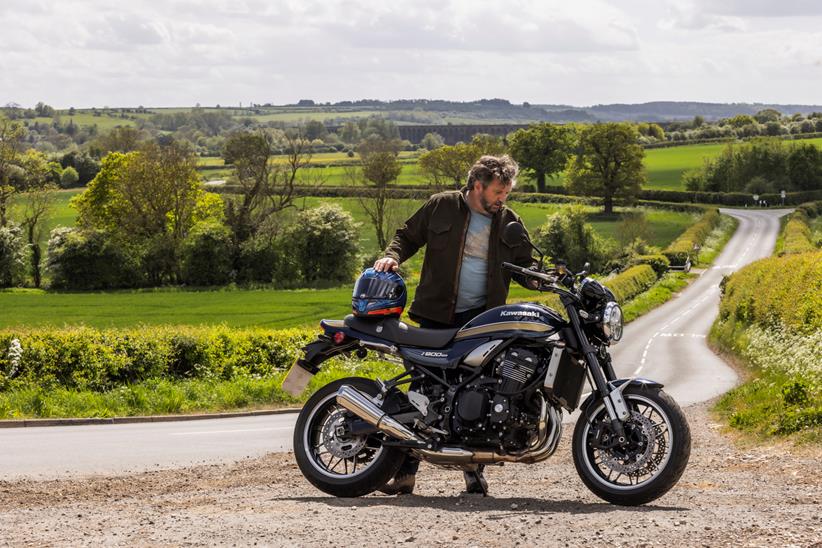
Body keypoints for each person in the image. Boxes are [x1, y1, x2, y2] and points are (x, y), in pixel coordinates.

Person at [373, 154, 537, 495]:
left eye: (507, 192)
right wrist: (392, 255)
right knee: (422, 394)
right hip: (435, 315)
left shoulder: (508, 220)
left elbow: (527, 264)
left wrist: (547, 278)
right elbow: (407, 235)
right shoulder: (441, 206)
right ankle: (404, 474)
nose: (502, 199)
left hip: (481, 320)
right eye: (497, 191)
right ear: (477, 185)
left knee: (475, 394)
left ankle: (473, 475)